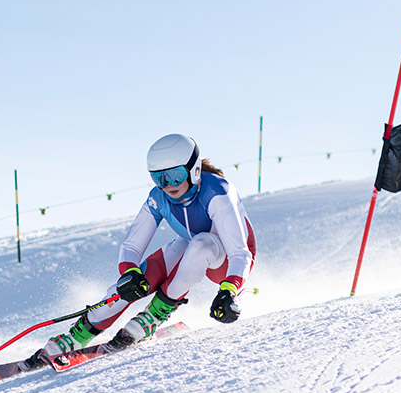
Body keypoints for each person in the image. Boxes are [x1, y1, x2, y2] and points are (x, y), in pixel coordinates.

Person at [40, 133, 256, 357]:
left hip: (229, 260)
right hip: (192, 243)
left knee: (200, 244)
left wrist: (229, 290)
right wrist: (130, 273)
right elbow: (131, 247)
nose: (168, 185)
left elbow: (241, 253)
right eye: (159, 178)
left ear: (194, 170)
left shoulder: (217, 191)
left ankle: (153, 315)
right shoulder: (158, 198)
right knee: (140, 278)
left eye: (175, 176)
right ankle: (78, 335)